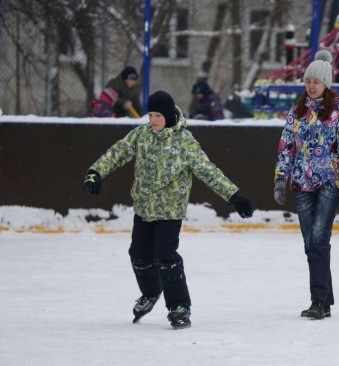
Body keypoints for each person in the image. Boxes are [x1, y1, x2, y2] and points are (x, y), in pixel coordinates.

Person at [83, 90, 254, 329]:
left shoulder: (185, 142)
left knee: (166, 256)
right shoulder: (141, 135)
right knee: (139, 256)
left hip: (170, 212)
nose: (152, 120)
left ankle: (179, 306)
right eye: (150, 114)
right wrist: (95, 172)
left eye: (157, 115)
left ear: (169, 115)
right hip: (144, 209)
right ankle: (151, 292)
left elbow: (208, 171)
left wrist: (234, 195)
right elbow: (117, 153)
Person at [273, 50, 339, 319]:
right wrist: (280, 178)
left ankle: (318, 301)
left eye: (316, 82)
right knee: (311, 244)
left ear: (326, 85)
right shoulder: (296, 112)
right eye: (308, 81)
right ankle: (326, 300)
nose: (311, 86)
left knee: (319, 240)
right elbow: (285, 147)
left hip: (329, 184)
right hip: (301, 184)